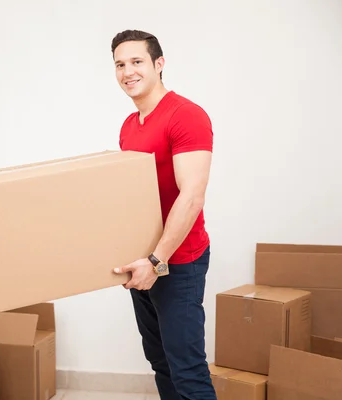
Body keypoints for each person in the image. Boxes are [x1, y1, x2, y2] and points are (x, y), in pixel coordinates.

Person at [111, 30, 217, 399]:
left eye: (137, 61)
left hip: (177, 261)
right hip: (143, 261)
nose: (128, 72)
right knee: (160, 362)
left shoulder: (185, 115)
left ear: (159, 64)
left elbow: (192, 196)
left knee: (187, 369)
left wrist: (157, 260)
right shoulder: (129, 125)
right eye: (120, 64)